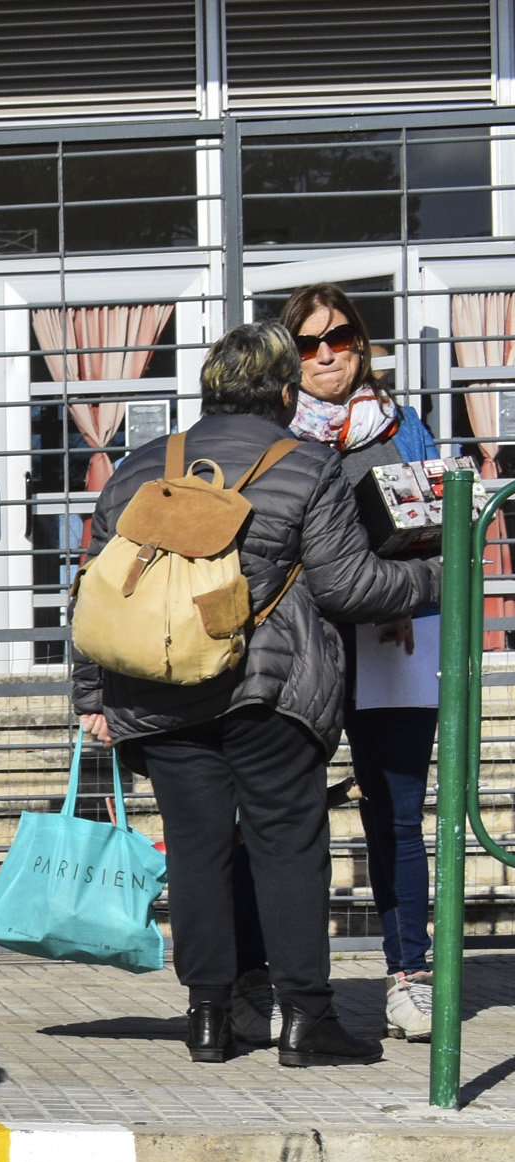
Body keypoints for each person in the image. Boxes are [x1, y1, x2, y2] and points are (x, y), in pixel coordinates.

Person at [75, 321, 440, 1066]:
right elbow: (350, 586)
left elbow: (92, 592)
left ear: (209, 389)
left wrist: (91, 699)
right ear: (283, 392)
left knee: (199, 854)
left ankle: (207, 1017)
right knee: (287, 848)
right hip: (269, 693)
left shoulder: (143, 465)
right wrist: (440, 575)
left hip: (161, 695)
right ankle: (308, 1020)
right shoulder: (305, 467)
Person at [282, 284, 443, 1042]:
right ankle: (287, 982)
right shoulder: (277, 431)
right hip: (302, 649)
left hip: (395, 645)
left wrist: (412, 597)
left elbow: (442, 522)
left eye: (338, 338)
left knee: (397, 817)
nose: (325, 356)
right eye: (308, 343)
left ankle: (407, 977)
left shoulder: (404, 426)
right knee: (284, 817)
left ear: (360, 341)